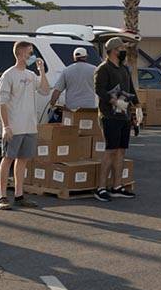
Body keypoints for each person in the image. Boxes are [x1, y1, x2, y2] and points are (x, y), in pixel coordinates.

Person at [0, 41, 51, 210]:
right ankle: (3, 196)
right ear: (20, 54)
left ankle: (19, 195)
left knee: (23, 161)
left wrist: (41, 71)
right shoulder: (9, 75)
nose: (31, 55)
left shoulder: (30, 74)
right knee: (8, 159)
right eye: (29, 52)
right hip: (14, 126)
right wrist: (6, 126)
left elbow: (44, 90)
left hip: (30, 126)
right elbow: (2, 102)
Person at [93, 37, 138, 203]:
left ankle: (117, 186)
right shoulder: (103, 69)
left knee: (121, 150)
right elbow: (99, 90)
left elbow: (131, 88)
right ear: (113, 50)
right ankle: (101, 188)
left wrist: (137, 106)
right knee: (110, 150)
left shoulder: (124, 69)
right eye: (121, 48)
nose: (123, 51)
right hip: (109, 115)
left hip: (124, 115)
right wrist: (114, 101)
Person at [49, 47, 98, 117]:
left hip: (71, 109)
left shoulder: (67, 70)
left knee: (73, 127)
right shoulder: (94, 69)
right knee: (87, 126)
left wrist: (52, 104)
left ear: (74, 57)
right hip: (89, 108)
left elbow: (57, 91)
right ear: (86, 57)